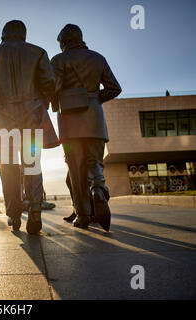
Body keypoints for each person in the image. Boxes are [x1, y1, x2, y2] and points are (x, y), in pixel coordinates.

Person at [0, 20, 59, 233]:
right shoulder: (38, 52)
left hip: (3, 119)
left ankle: (14, 215)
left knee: (8, 168)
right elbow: (49, 83)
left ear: (4, 33)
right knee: (32, 164)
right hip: (32, 117)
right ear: (24, 33)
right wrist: (43, 103)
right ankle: (34, 210)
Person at [51, 24, 121, 231]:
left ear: (63, 41)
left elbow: (52, 88)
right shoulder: (98, 58)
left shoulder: (57, 60)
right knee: (95, 163)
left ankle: (82, 216)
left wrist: (60, 100)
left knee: (76, 170)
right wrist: (92, 98)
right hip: (94, 119)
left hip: (69, 121)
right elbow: (114, 88)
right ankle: (99, 190)